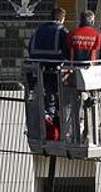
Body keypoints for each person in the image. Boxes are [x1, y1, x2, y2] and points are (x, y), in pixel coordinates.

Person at [27, 8, 69, 138]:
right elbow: (66, 50)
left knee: (45, 96)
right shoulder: (62, 31)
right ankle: (56, 122)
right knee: (57, 97)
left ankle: (47, 119)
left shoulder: (38, 30)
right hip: (54, 69)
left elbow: (30, 48)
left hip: (37, 69)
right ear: (62, 19)